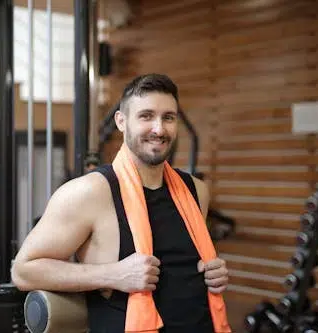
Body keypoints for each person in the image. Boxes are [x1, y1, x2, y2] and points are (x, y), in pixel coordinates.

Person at [12, 74, 230, 333]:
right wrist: (113, 275)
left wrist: (213, 272)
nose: (159, 129)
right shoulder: (89, 192)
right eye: (146, 116)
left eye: (168, 117)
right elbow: (23, 271)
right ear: (121, 121)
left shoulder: (196, 190)